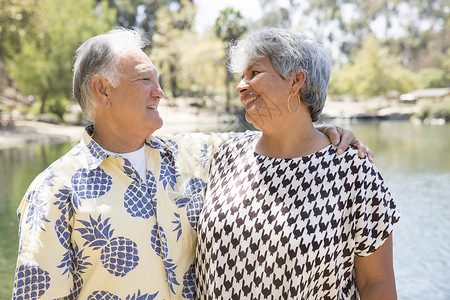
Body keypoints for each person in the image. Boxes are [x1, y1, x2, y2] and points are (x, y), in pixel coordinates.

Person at [12, 28, 370, 300]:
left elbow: (283, 136)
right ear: (103, 90)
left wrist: (325, 130)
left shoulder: (195, 155)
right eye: (144, 81)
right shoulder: (54, 191)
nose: (160, 92)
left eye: (158, 81)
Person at [196, 27, 400, 299]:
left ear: (296, 81)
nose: (240, 86)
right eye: (242, 76)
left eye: (254, 73)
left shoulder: (353, 169)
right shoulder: (224, 155)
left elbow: (378, 283)